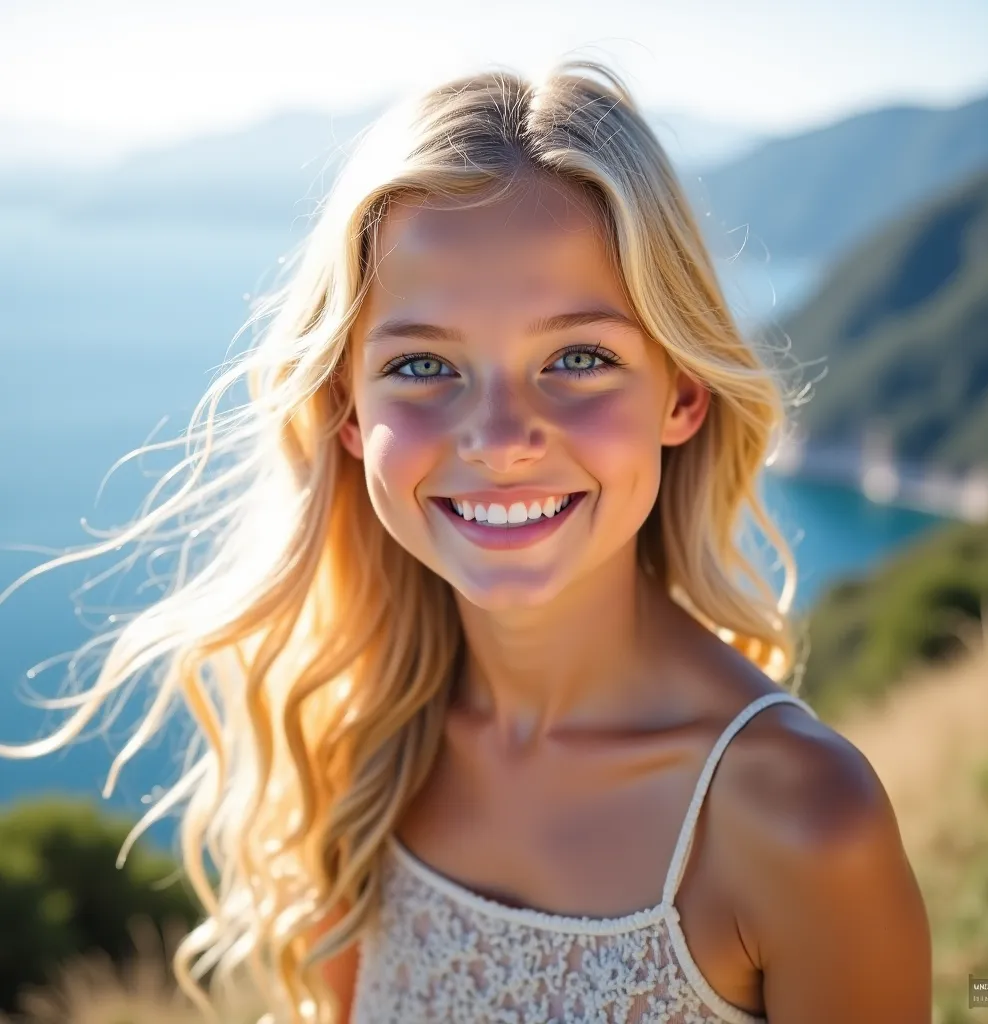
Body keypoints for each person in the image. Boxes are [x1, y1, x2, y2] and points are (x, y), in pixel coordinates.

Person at [0, 61, 932, 1023]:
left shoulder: (802, 820)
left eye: (578, 357)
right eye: (422, 364)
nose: (498, 439)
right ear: (349, 414)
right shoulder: (361, 760)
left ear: (681, 394)